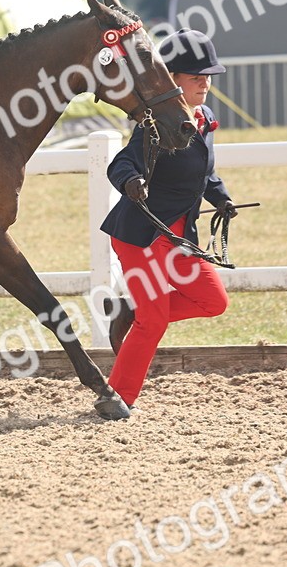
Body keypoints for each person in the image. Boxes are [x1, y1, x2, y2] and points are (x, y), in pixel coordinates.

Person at [99, 28, 238, 408]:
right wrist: (131, 181)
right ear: (171, 80)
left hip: (178, 236)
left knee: (214, 302)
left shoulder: (205, 117)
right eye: (196, 77)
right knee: (155, 319)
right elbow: (122, 162)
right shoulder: (155, 124)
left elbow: (203, 173)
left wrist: (221, 198)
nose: (205, 84)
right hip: (140, 235)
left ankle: (129, 310)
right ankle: (116, 396)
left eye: (208, 77)